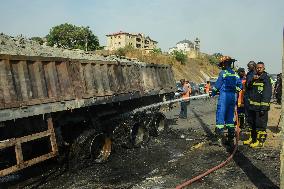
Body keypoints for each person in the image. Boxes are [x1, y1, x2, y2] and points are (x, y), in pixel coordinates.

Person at [211, 56, 242, 147]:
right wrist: (233, 89)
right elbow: (240, 87)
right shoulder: (235, 74)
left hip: (224, 97)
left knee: (220, 117)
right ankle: (231, 140)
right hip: (232, 97)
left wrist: (213, 92)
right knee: (229, 119)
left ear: (224, 64)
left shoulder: (223, 73)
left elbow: (217, 85)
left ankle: (219, 140)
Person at [243, 62, 272, 148]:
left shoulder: (266, 79)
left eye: (261, 68)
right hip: (252, 107)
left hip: (260, 108)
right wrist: (252, 80)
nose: (259, 69)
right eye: (258, 68)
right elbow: (248, 87)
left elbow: (267, 94)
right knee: (252, 124)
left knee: (260, 125)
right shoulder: (254, 77)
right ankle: (253, 139)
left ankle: (260, 142)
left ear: (264, 68)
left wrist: (263, 107)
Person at [244, 61, 256, 125]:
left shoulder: (255, 74)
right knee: (247, 110)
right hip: (247, 94)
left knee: (251, 110)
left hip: (252, 94)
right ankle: (247, 123)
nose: (248, 67)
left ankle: (250, 123)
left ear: (253, 66)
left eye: (249, 66)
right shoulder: (249, 73)